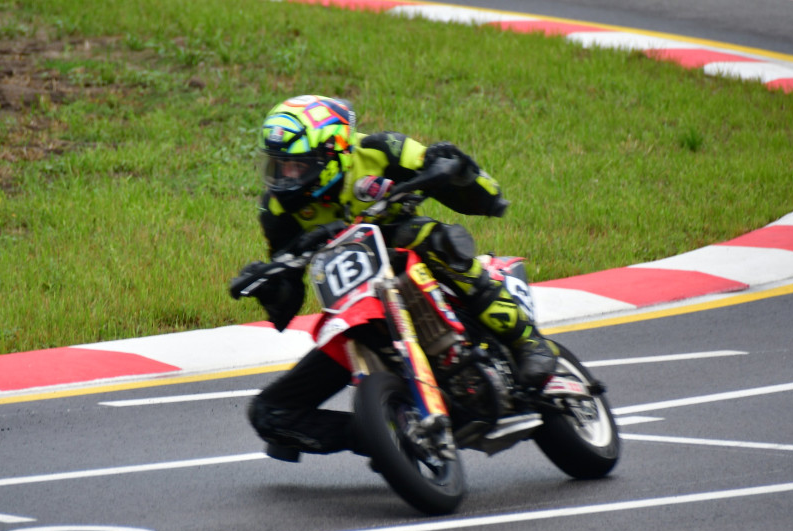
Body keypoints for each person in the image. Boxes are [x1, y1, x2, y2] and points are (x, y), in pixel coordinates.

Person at [231, 94, 558, 462]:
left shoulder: (380, 150)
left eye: (296, 165)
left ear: (331, 153)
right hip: (353, 305)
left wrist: (453, 167)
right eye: (278, 165)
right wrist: (271, 287)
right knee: (269, 414)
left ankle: (527, 342)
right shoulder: (277, 210)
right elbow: (287, 298)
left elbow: (474, 189)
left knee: (437, 238)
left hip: (409, 256)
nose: (284, 177)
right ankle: (387, 435)